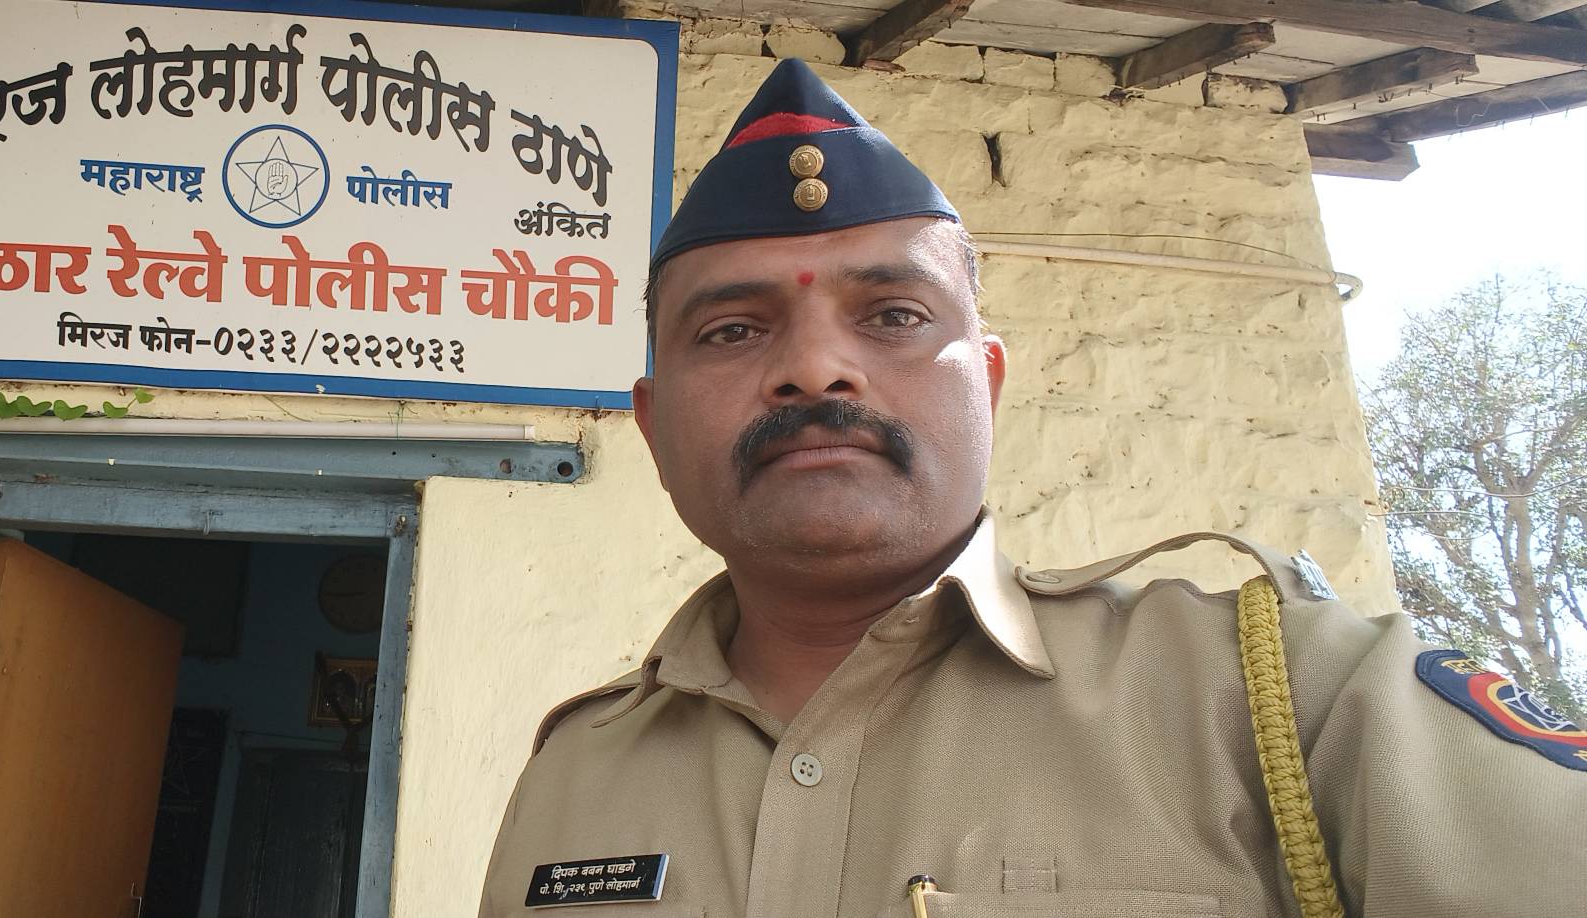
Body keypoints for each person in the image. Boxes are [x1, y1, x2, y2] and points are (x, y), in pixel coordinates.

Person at [478, 59, 1584, 918]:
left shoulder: (1297, 701)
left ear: (990, 386)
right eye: (731, 329)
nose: (815, 369)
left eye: (894, 316)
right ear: (653, 424)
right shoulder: (574, 777)